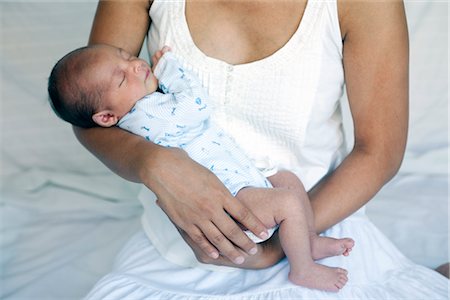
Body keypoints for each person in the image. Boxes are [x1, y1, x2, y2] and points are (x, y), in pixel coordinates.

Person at [75, 0, 448, 298]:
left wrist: (282, 242)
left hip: (318, 225)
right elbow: (88, 114)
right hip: (176, 242)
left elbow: (379, 152)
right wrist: (153, 163)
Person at [48, 43, 355, 292]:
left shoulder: (146, 107)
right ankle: (303, 270)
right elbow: (196, 105)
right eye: (121, 78)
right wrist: (170, 69)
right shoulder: (146, 114)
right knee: (287, 201)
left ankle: (306, 242)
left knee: (287, 180)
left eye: (128, 57)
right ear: (105, 117)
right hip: (230, 200)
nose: (136, 66)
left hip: (242, 181)